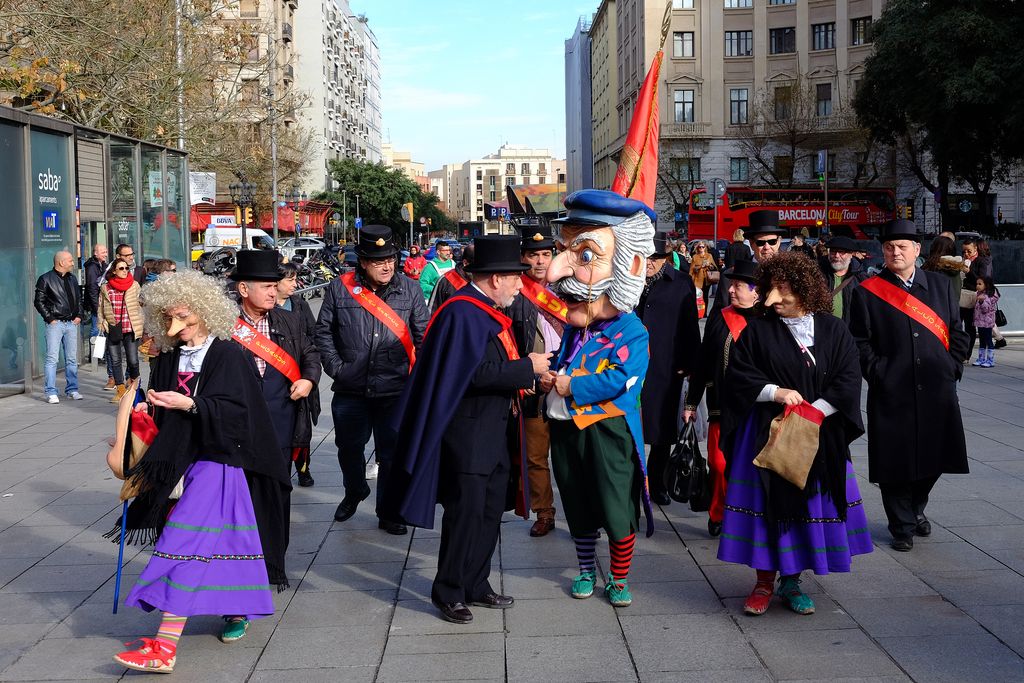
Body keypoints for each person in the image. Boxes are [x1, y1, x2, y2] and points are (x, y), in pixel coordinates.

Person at [111, 270, 291, 673]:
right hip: (180, 464)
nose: (177, 325)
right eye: (170, 317)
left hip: (220, 464)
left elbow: (238, 415)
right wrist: (143, 419)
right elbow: (161, 411)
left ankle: (164, 646)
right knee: (214, 546)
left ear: (205, 311)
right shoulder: (169, 356)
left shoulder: (228, 354)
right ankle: (235, 607)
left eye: (185, 316)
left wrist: (190, 405)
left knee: (184, 545)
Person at [385, 235, 549, 624]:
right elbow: (470, 374)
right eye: (515, 277)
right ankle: (449, 591)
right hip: (468, 438)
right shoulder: (462, 312)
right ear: (495, 278)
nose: (519, 285)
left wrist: (529, 375)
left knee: (490, 514)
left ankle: (477, 584)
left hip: (495, 433)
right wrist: (528, 367)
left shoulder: (485, 310)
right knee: (465, 516)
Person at [719, 252, 872, 616]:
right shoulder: (757, 330)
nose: (773, 298)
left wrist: (815, 411)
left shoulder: (834, 330)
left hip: (818, 437)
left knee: (804, 511)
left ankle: (791, 582)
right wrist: (775, 392)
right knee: (766, 511)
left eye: (782, 290)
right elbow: (737, 378)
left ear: (803, 290)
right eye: (770, 289)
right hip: (765, 439)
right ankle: (762, 582)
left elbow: (849, 379)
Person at [541, 189, 655, 608]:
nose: (553, 273)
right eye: (562, 251)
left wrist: (574, 386)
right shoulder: (577, 326)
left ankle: (619, 578)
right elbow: (565, 360)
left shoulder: (632, 331)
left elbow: (626, 380)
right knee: (577, 502)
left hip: (608, 432)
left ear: (632, 265)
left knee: (615, 507)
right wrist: (548, 373)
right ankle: (587, 570)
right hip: (567, 429)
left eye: (585, 255)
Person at [849, 219, 970, 552]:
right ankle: (901, 524)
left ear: (917, 250)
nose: (895, 252)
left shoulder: (940, 285)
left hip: (937, 386)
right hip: (892, 389)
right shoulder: (866, 292)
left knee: (936, 456)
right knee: (894, 458)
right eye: (889, 247)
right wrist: (879, 372)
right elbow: (859, 342)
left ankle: (915, 508)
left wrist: (952, 366)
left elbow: (958, 331)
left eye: (903, 246)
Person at [315, 225, 429, 534]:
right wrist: (338, 368)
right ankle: (354, 490)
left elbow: (423, 337)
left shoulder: (410, 290)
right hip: (351, 388)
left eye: (390, 258)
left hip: (395, 388)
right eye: (378, 260)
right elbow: (323, 333)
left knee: (391, 454)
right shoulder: (340, 288)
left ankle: (388, 511)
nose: (387, 265)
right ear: (363, 262)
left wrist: (419, 380)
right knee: (348, 447)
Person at [232, 249, 321, 500]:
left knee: (277, 494)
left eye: (274, 286)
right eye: (266, 286)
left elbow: (311, 354)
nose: (273, 292)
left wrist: (308, 379)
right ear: (243, 289)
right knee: (241, 496)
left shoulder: (289, 320)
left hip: (281, 422)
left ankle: (275, 540)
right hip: (239, 426)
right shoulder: (223, 323)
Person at [683, 259, 760, 537]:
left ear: (756, 292)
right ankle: (718, 512)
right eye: (732, 285)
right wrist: (691, 402)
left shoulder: (769, 321)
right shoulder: (721, 316)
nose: (731, 290)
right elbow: (703, 360)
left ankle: (743, 515)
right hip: (720, 405)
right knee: (719, 463)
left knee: (748, 468)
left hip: (755, 410)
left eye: (739, 286)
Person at [506, 226, 565, 536]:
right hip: (532, 384)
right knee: (535, 455)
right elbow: (508, 342)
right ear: (523, 258)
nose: (541, 261)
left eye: (546, 254)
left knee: (571, 455)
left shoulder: (570, 288)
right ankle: (544, 512)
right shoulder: (514, 293)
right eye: (534, 255)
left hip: (569, 380)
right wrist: (526, 375)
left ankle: (582, 513)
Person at [637, 233, 700, 506]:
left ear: (666, 259)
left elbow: (690, 328)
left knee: (663, 431)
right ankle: (635, 484)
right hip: (634, 364)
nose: (650, 263)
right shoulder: (631, 279)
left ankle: (659, 482)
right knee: (634, 429)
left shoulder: (681, 282)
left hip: (667, 364)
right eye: (647, 257)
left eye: (656, 258)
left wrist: (690, 363)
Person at [33, 251, 83, 403]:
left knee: (71, 359)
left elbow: (78, 299)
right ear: (61, 262)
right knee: (52, 359)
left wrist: (79, 315)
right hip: (55, 324)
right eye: (70, 260)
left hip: (71, 324)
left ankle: (72, 389)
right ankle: (50, 392)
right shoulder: (45, 279)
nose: (73, 263)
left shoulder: (72, 279)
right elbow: (38, 301)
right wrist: (50, 318)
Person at [713, 210, 784, 313]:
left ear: (779, 241)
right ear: (751, 243)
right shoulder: (730, 276)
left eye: (772, 242)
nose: (767, 247)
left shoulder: (791, 274)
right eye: (760, 242)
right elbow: (717, 317)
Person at [99, 257, 143, 403]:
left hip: (130, 328)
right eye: (121, 269)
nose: (125, 271)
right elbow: (101, 307)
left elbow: (141, 305)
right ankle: (120, 390)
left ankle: (135, 387)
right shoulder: (106, 287)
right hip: (113, 327)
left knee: (133, 360)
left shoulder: (134, 285)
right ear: (114, 271)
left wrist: (142, 323)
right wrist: (101, 322)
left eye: (126, 268)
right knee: (115, 360)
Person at [83, 243, 115, 391]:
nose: (105, 253)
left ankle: (98, 355)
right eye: (102, 251)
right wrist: (97, 308)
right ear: (95, 253)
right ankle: (95, 356)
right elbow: (91, 288)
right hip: (97, 304)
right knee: (97, 330)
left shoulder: (104, 265)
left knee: (100, 331)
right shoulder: (92, 267)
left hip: (102, 304)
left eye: (106, 251)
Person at [820, 236, 867, 324]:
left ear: (851, 254)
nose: (836, 256)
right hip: (824, 329)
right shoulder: (817, 274)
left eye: (841, 252)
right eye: (833, 252)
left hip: (850, 331)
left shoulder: (861, 279)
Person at [960, 238, 992, 359]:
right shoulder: (963, 260)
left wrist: (968, 272)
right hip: (960, 296)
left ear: (975, 249)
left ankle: (967, 355)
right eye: (964, 251)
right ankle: (958, 352)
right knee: (957, 324)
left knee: (969, 327)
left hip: (972, 297)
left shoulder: (981, 261)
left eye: (968, 251)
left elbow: (982, 281)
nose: (966, 254)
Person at [429, 244, 474, 312]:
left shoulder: (488, 280)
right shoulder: (445, 280)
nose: (448, 253)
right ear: (465, 263)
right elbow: (433, 310)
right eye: (445, 250)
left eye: (449, 250)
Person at [972, 275, 1000, 367]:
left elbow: (985, 309)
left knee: (988, 340)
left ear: (986, 285)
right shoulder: (979, 294)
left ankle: (990, 360)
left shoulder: (988, 295)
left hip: (987, 322)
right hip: (980, 322)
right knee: (982, 340)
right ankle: (981, 358)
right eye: (977, 284)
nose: (977, 286)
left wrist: (981, 301)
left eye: (980, 284)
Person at [688, 240, 718, 308]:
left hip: (707, 279)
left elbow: (714, 267)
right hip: (698, 279)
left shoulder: (709, 256)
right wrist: (701, 266)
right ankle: (699, 311)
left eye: (703, 247)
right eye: (699, 247)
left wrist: (709, 266)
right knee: (698, 296)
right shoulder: (695, 256)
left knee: (705, 295)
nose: (701, 248)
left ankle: (705, 313)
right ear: (697, 248)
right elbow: (692, 269)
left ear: (705, 247)